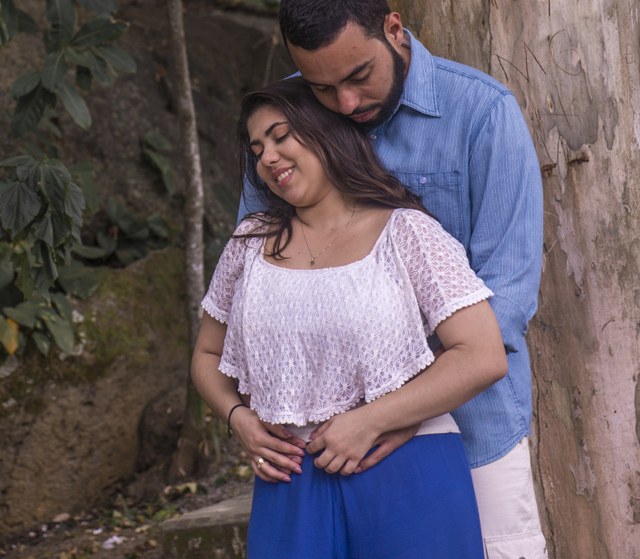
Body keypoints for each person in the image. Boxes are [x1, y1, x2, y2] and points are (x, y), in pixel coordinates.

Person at [238, 0, 546, 559]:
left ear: (394, 30)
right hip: (324, 444)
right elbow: (257, 273)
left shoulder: (482, 113)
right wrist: (241, 414)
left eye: (358, 75)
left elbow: (505, 302)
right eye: (322, 87)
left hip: (473, 424)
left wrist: (400, 414)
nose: (345, 102)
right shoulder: (289, 119)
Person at [194, 77, 508, 557]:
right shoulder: (249, 243)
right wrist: (238, 419)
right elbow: (208, 353)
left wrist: (371, 420)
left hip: (404, 467)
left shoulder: (407, 232)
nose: (268, 158)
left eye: (281, 137)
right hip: (289, 478)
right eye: (257, 150)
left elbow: (483, 355)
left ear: (326, 132)